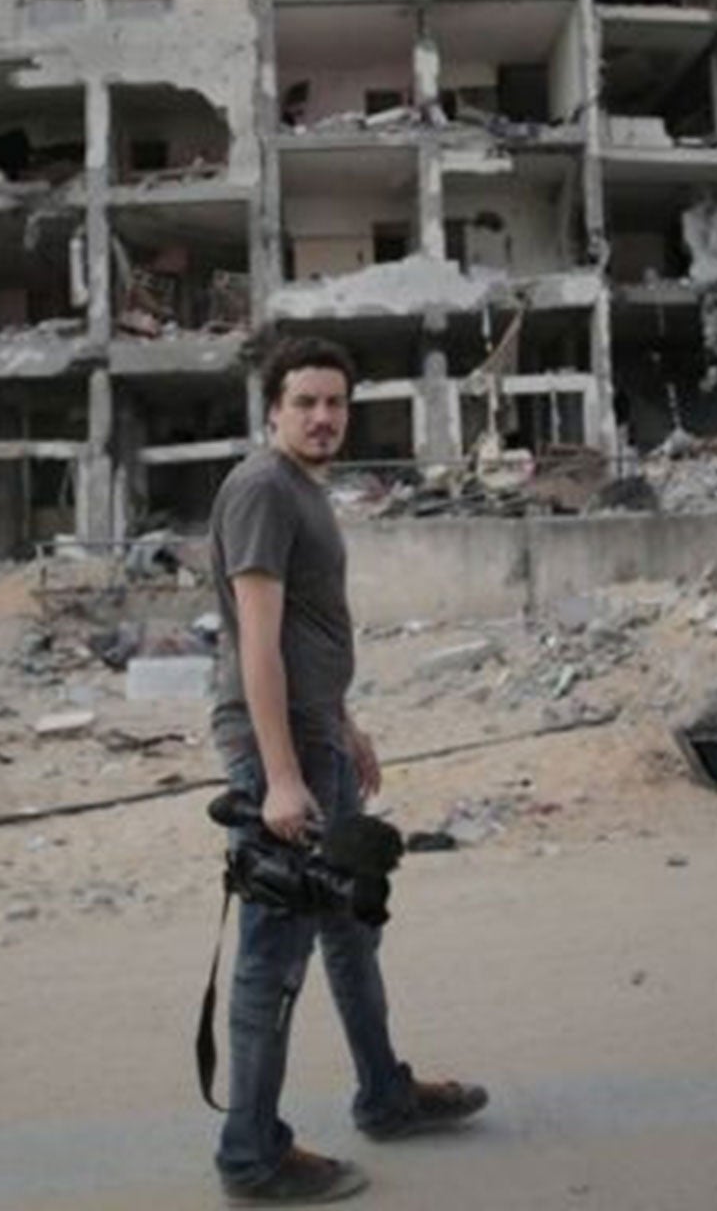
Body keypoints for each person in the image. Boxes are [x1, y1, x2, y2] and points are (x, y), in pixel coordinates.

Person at [208, 336, 487, 1204]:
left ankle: (386, 1095)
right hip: (280, 751)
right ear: (273, 411)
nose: (324, 417)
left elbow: (304, 634)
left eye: (336, 402)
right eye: (306, 403)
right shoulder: (263, 488)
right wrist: (283, 776)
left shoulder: (301, 489)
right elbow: (256, 640)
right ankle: (250, 1156)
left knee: (350, 928)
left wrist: (344, 724)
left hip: (316, 738)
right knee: (272, 955)